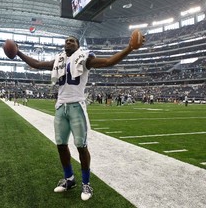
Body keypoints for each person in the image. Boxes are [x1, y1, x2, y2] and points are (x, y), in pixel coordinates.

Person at [14, 32, 145, 201]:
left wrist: (129, 48)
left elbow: (108, 62)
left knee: (81, 146)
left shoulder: (84, 58)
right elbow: (37, 64)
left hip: (76, 105)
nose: (68, 42)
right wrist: (18, 52)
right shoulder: (58, 61)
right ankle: (69, 179)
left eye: (72, 41)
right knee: (61, 145)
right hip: (61, 106)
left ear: (78, 46)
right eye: (66, 41)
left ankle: (86, 183)